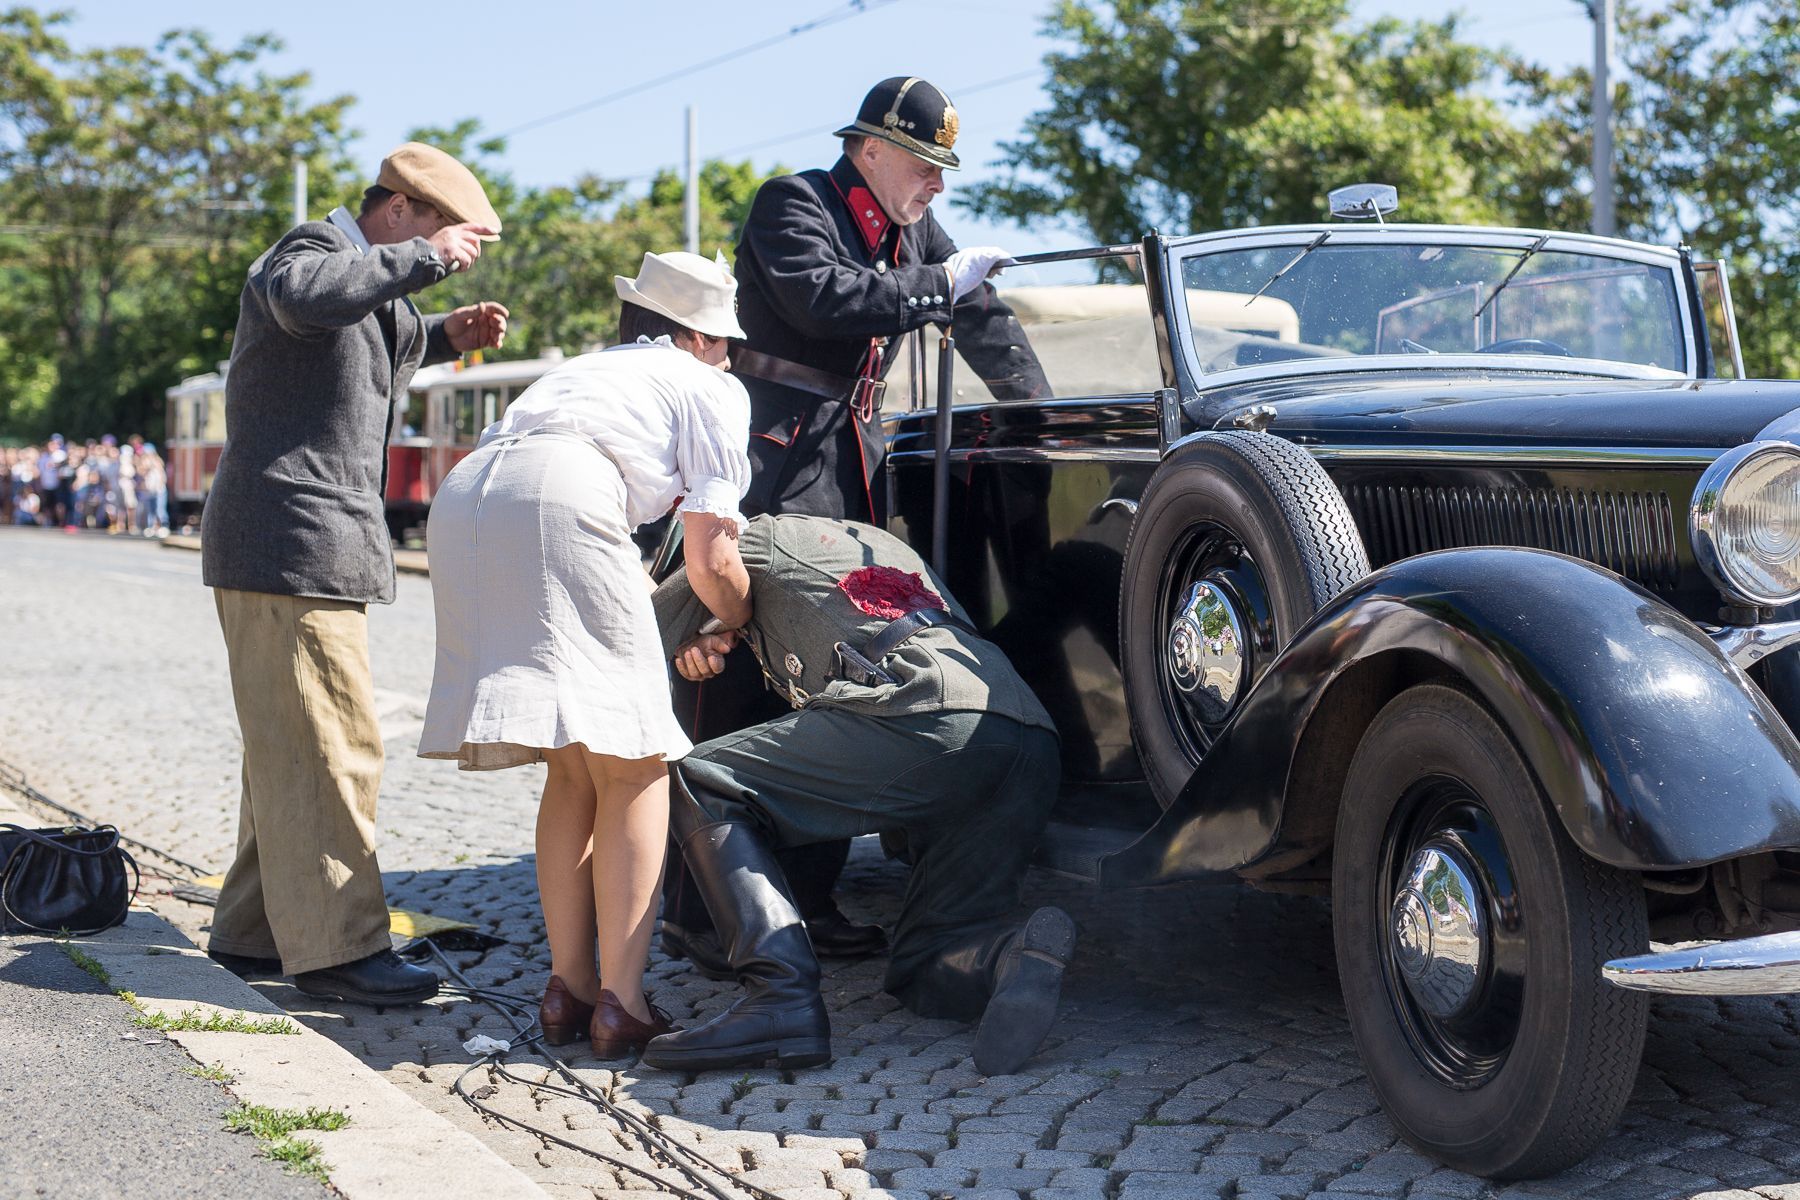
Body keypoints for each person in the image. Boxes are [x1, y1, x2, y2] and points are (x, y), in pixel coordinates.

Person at [660, 75, 1055, 977]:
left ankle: (805, 893)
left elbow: (979, 313)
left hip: (844, 462)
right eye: (925, 164)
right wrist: (935, 286)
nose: (937, 186)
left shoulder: (913, 230)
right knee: (739, 672)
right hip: (774, 464)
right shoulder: (793, 203)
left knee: (834, 674)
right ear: (869, 148)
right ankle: (700, 909)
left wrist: (1035, 407)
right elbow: (822, 299)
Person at [418, 251, 754, 1058]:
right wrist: (739, 617)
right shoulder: (706, 384)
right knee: (635, 761)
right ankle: (623, 1001)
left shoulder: (589, 369)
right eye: (727, 342)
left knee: (572, 760)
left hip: (467, 498)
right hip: (562, 495)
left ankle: (566, 988)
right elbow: (711, 558)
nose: (732, 357)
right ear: (702, 337)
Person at [200, 142, 509, 1006]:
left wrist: (449, 334)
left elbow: (367, 358)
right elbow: (307, 301)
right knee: (338, 748)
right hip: (290, 545)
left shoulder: (360, 280)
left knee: (289, 751)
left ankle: (254, 934)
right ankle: (339, 950)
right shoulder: (307, 253)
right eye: (451, 233)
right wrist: (420, 262)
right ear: (401, 209)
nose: (455, 254)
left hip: (307, 546)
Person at [643, 514, 1073, 1077]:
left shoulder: (747, 538)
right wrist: (717, 631)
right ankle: (1005, 956)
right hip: (1023, 737)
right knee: (924, 963)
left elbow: (630, 635)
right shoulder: (869, 543)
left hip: (922, 718)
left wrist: (685, 633)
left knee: (703, 778)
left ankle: (781, 998)